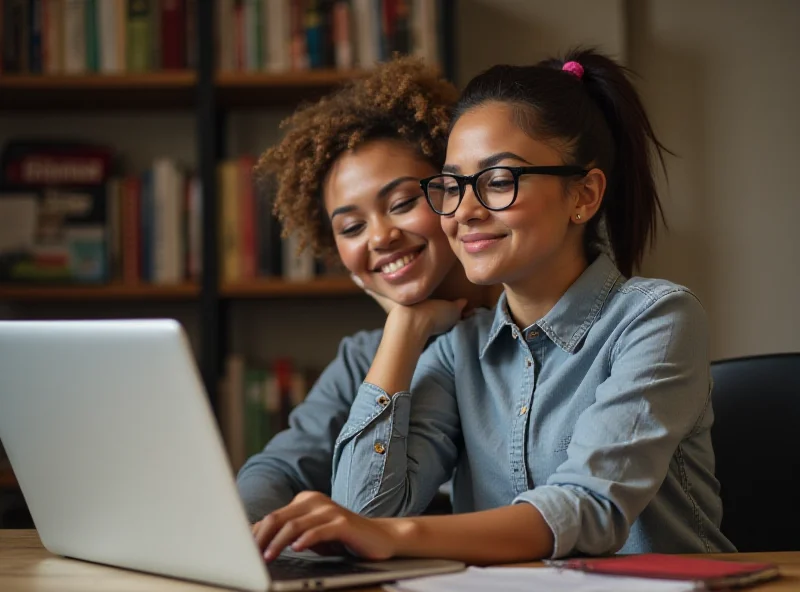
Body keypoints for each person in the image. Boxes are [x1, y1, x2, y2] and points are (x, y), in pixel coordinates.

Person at [252, 47, 737, 563]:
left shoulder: (657, 318)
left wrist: (399, 537)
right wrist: (405, 326)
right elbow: (366, 514)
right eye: (453, 186)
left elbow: (591, 507)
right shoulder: (456, 349)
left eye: (500, 180)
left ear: (583, 196)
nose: (465, 210)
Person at [237, 56, 489, 525]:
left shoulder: (522, 331)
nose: (379, 237)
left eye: (402, 203)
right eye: (351, 227)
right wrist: (248, 538)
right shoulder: (363, 357)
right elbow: (275, 470)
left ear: (452, 191)